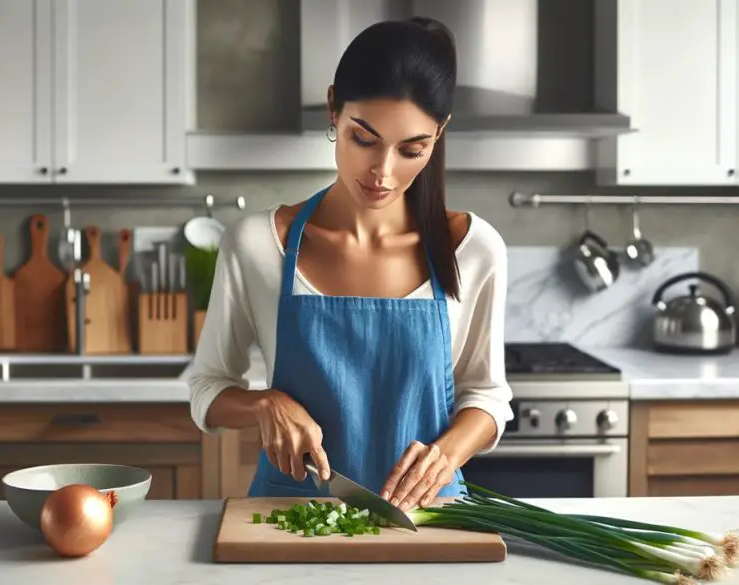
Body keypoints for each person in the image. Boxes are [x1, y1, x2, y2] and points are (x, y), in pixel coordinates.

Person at [187, 16, 513, 512]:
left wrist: (446, 456)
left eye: (412, 149)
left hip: (429, 518)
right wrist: (263, 404)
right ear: (333, 110)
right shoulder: (257, 244)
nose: (383, 172)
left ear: (439, 134)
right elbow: (207, 389)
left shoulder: (473, 249)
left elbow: (487, 397)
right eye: (364, 139)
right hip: (291, 517)